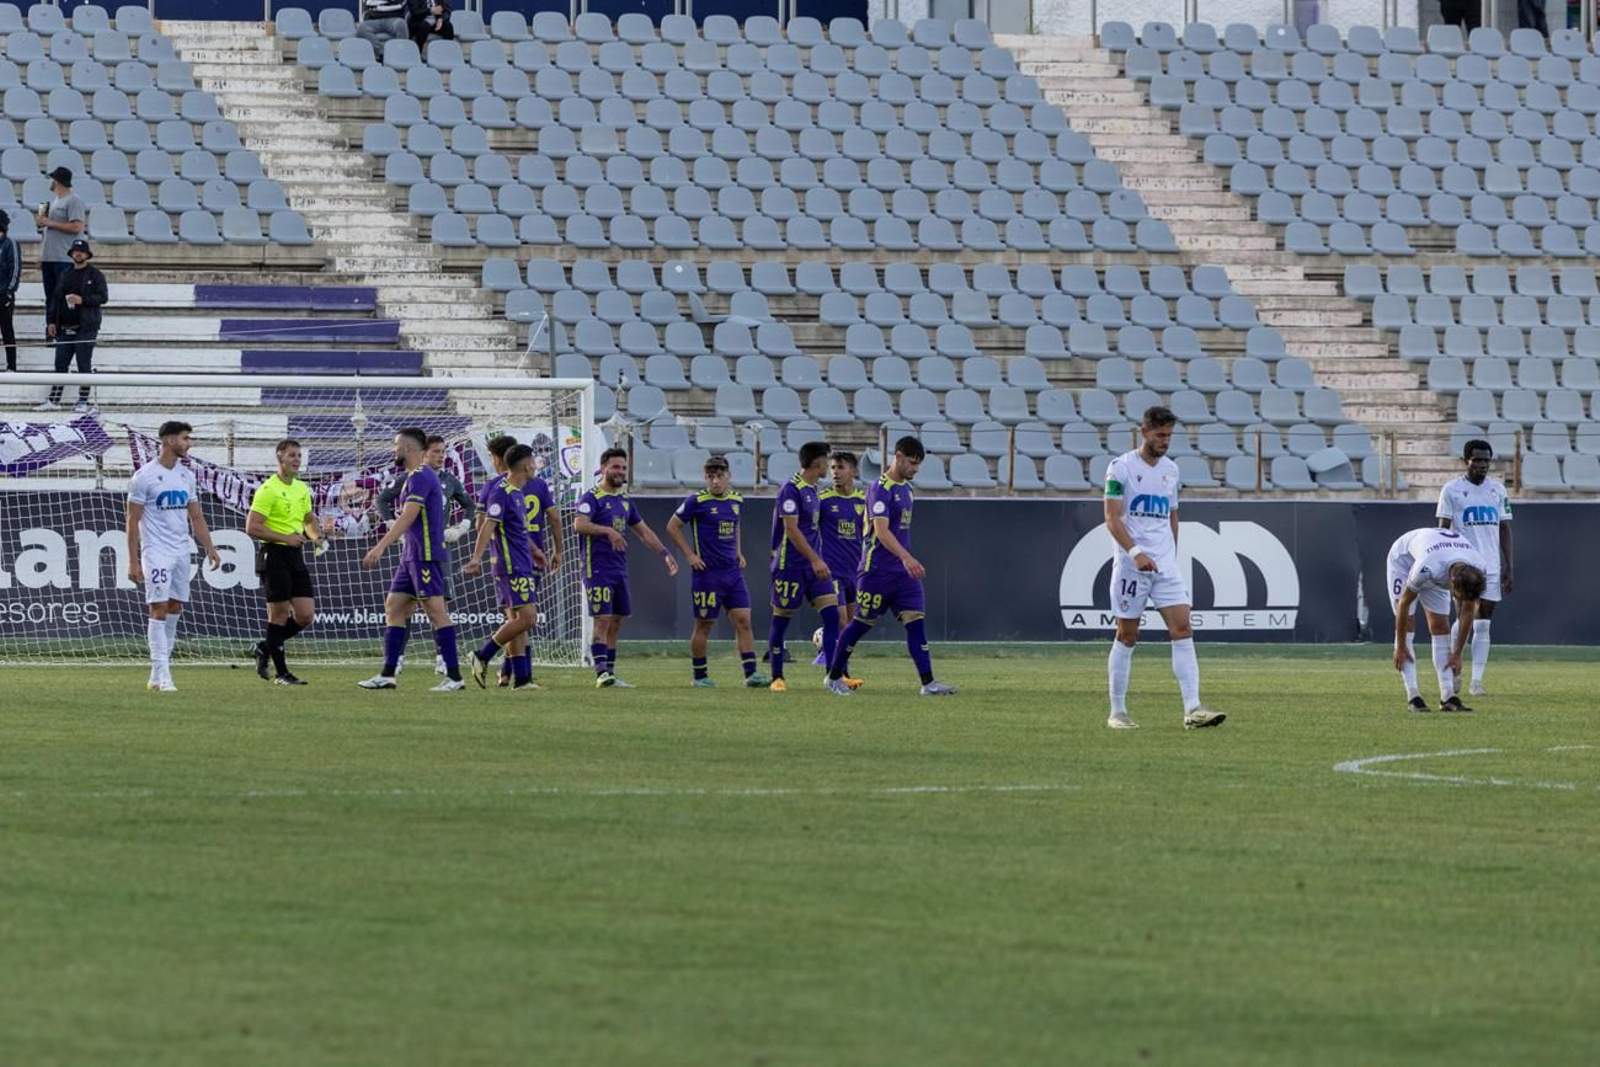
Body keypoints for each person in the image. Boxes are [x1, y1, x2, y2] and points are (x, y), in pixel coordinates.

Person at [1100, 407, 1224, 730]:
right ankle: (1117, 712)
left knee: (1183, 629)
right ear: (1144, 432)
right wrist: (1136, 552)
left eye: (1169, 435)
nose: (1165, 441)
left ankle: (1193, 709)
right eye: (1159, 435)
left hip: (1165, 567)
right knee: (1128, 635)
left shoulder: (1171, 470)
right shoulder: (1120, 469)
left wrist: (1171, 554)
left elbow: (1171, 515)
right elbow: (1112, 519)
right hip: (1131, 567)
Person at [825, 436, 954, 697]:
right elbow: (882, 532)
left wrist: (905, 562)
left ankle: (928, 683)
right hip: (876, 571)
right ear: (898, 457)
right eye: (912, 463)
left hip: (903, 575)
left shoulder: (907, 489)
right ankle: (834, 677)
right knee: (860, 624)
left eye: (918, 464)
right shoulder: (879, 488)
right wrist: (907, 557)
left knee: (916, 623)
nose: (915, 469)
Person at [357, 428, 464, 691]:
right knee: (394, 607)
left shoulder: (420, 476)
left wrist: (380, 547)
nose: (393, 450)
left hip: (425, 555)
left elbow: (408, 516)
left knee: (436, 613)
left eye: (395, 445)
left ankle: (454, 676)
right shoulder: (414, 477)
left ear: (406, 448)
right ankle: (388, 674)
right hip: (411, 556)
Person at [125, 421, 222, 692]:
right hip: (156, 552)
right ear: (169, 441)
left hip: (182, 550)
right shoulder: (144, 476)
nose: (189, 443)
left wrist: (210, 547)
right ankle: (164, 674)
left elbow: (196, 515)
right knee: (157, 608)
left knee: (175, 607)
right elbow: (132, 522)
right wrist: (133, 561)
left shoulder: (185, 476)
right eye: (185, 438)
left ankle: (157, 676)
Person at [572, 447, 678, 688]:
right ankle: (601, 673)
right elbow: (579, 524)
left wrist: (664, 553)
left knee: (616, 621)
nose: (620, 472)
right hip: (596, 568)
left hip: (619, 568)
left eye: (623, 467)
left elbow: (643, 531)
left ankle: (610, 672)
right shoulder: (591, 497)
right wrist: (607, 530)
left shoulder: (624, 500)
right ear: (603, 469)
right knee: (603, 620)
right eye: (615, 467)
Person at [665, 454, 770, 689]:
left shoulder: (736, 500)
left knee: (743, 621)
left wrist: (738, 551)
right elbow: (672, 526)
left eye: (719, 476)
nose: (715, 481)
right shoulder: (696, 501)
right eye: (710, 477)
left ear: (728, 477)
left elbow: (735, 525)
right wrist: (690, 555)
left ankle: (751, 674)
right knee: (704, 626)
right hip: (708, 575)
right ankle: (700, 676)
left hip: (733, 573)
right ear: (705, 478)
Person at [465, 443, 549, 689]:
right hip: (511, 566)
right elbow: (487, 526)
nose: (535, 466)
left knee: (518, 622)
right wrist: (476, 557)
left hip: (522, 562)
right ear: (526, 465)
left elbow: (518, 531)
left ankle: (522, 680)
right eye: (533, 462)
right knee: (527, 618)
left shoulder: (517, 492)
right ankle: (482, 654)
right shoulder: (501, 492)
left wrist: (535, 552)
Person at [1436, 439, 1513, 697]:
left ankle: (1476, 682)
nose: (1482, 465)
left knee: (1483, 624)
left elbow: (1504, 528)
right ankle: (1454, 665)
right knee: (1464, 618)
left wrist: (1509, 566)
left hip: (1491, 565)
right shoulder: (1452, 490)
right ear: (1465, 461)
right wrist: (1445, 562)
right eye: (1477, 460)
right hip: (1464, 565)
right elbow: (1442, 530)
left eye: (1486, 460)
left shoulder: (1498, 490)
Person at [766, 440, 843, 693]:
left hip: (814, 568)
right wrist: (815, 559)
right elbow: (791, 528)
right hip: (791, 566)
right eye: (827, 461)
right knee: (781, 622)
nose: (829, 467)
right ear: (818, 462)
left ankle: (833, 676)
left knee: (832, 616)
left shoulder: (813, 490)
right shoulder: (791, 489)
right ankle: (777, 676)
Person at [1387, 526, 1488, 713]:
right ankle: (1413, 697)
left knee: (1441, 625)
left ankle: (1448, 696)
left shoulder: (1479, 567)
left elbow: (1468, 610)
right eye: (1458, 595)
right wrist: (1400, 646)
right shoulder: (1427, 567)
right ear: (1451, 583)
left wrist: (1457, 652)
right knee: (1408, 622)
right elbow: (1404, 604)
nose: (1459, 600)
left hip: (1439, 560)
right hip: (1405, 561)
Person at [246, 439, 319, 686]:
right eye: (291, 455)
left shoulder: (301, 489)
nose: (297, 459)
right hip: (274, 555)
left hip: (294, 556)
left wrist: (317, 536)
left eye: (299, 455)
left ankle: (264, 647)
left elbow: (309, 519)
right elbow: (252, 527)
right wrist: (285, 538)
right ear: (280, 458)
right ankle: (282, 674)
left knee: (305, 615)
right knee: (277, 616)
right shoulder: (268, 489)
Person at [39, 238, 106, 413]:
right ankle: (54, 400)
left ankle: (83, 401)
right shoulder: (65, 274)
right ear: (71, 254)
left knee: (84, 365)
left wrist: (82, 300)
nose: (78, 254)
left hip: (86, 327)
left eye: (81, 251)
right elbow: (56, 299)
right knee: (60, 364)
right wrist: (52, 321)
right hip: (65, 326)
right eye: (76, 251)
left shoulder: (95, 275)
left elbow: (103, 297)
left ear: (87, 254)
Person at [815, 450, 867, 664]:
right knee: (839, 619)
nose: (835, 472)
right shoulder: (823, 500)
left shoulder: (863, 501)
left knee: (851, 623)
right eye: (833, 467)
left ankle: (836, 660)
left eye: (840, 467)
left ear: (853, 471)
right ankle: (832, 665)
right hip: (831, 571)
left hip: (854, 571)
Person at [36, 166, 86, 312]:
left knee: (65, 298)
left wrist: (51, 223)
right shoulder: (53, 201)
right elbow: (47, 232)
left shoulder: (74, 200)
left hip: (64, 258)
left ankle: (65, 330)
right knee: (51, 298)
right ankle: (51, 331)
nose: (50, 182)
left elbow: (77, 226)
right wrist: (42, 255)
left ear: (56, 181)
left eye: (52, 179)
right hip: (50, 258)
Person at [0, 209, 19, 372]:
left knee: (7, 330)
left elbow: (15, 269)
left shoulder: (9, 243)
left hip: (3, 294)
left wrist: (9, 292)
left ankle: (12, 366)